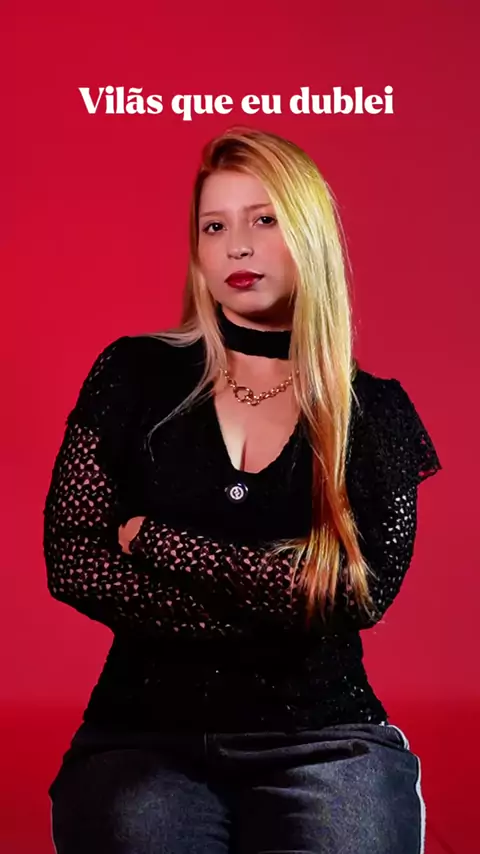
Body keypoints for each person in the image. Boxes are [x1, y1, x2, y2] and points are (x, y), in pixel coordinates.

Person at [43, 126, 442, 854]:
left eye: (263, 220)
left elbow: (355, 597)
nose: (237, 247)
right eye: (214, 226)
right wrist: (278, 614)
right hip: (143, 737)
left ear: (310, 236)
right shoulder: (133, 374)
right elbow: (75, 560)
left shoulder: (375, 412)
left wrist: (158, 542)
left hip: (326, 741)